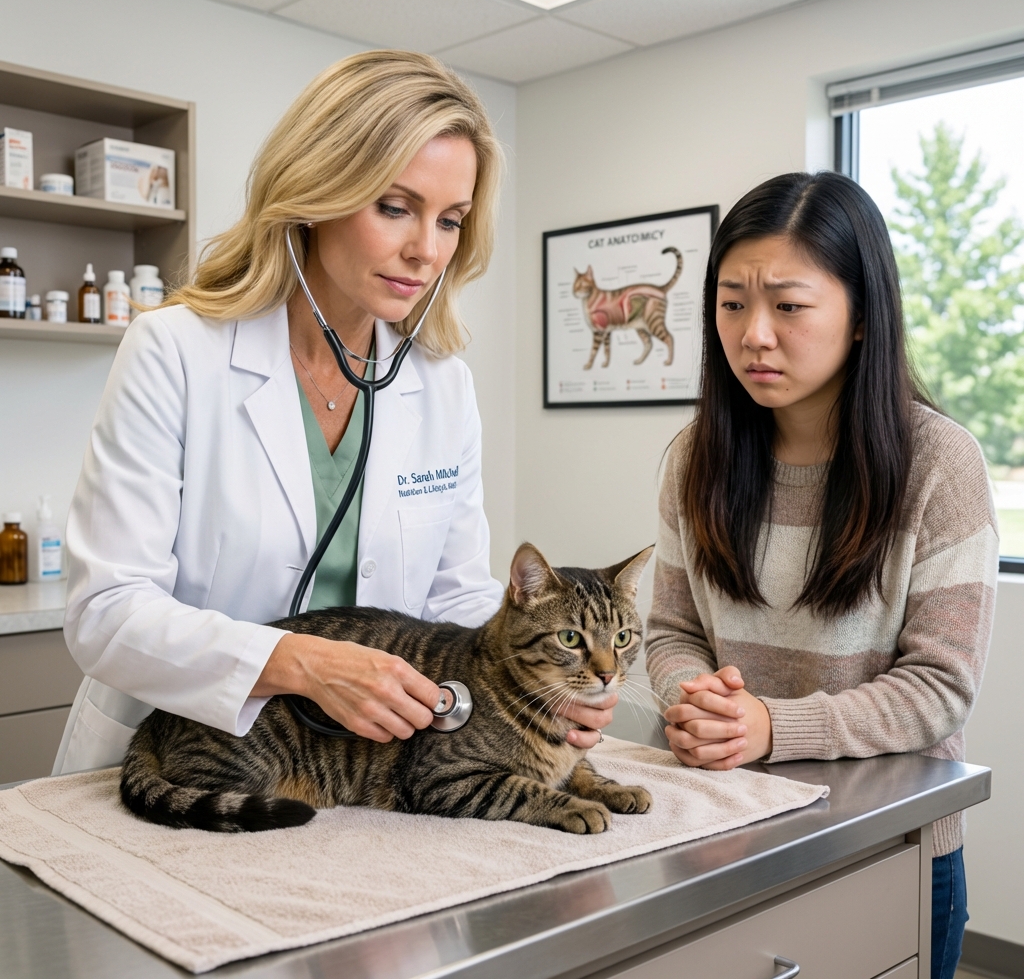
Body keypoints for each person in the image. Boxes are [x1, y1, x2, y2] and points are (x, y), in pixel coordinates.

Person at [55, 51, 614, 775]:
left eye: (450, 221)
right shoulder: (175, 350)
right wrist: (296, 662)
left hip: (367, 773)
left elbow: (461, 597)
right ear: (315, 192)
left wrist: (542, 685)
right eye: (394, 207)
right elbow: (107, 611)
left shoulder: (441, 385)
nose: (425, 251)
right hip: (177, 754)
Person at [645, 171, 996, 979]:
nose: (754, 334)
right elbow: (672, 630)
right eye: (732, 304)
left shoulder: (940, 462)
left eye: (788, 306)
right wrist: (694, 703)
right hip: (724, 822)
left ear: (863, 315)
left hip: (887, 840)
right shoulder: (695, 458)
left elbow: (939, 687)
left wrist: (770, 726)